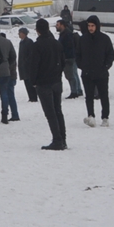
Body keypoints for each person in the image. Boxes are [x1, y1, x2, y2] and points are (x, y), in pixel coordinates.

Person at [33, 18, 67, 150]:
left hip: (43, 83)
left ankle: (57, 140)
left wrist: (34, 81)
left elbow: (34, 66)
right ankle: (63, 139)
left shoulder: (37, 46)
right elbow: (62, 61)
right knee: (58, 110)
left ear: (37, 30)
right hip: (56, 81)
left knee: (50, 112)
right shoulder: (56, 43)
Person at [76, 14, 114, 127]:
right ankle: (91, 116)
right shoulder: (83, 39)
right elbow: (78, 54)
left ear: (97, 26)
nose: (90, 28)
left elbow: (110, 54)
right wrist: (82, 66)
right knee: (88, 96)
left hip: (101, 73)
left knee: (104, 96)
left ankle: (105, 117)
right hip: (87, 73)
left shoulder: (105, 39)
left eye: (92, 25)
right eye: (89, 26)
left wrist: (106, 66)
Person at [0, 23, 19, 123]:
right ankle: (5, 114)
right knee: (4, 94)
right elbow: (13, 56)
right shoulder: (7, 41)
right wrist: (7, 64)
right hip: (5, 70)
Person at [56, 19, 83, 97]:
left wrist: (65, 57)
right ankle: (78, 90)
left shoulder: (66, 34)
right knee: (74, 74)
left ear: (62, 25)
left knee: (70, 75)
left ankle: (74, 92)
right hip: (71, 57)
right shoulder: (65, 33)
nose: (56, 26)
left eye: (58, 25)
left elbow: (68, 47)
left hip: (68, 58)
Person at [17, 27, 38, 102]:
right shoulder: (21, 42)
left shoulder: (29, 42)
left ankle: (34, 96)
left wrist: (26, 61)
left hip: (28, 66)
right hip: (23, 66)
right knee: (26, 82)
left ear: (24, 34)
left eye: (20, 33)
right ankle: (30, 96)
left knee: (30, 82)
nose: (19, 34)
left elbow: (31, 54)